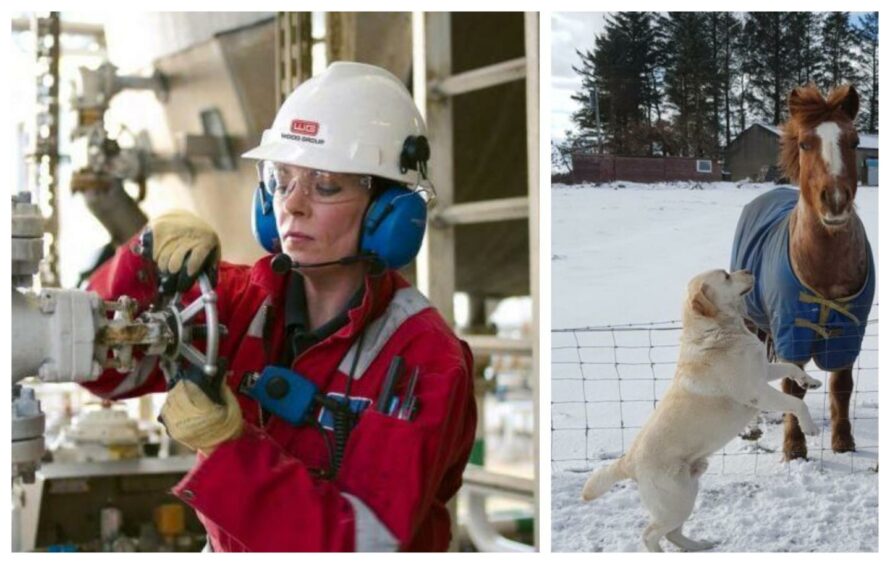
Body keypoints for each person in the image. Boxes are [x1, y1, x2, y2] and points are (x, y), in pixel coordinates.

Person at [84, 62, 477, 552]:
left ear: (387, 211)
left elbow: (362, 546)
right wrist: (141, 263)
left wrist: (229, 450)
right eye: (281, 179)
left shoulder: (424, 359)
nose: (292, 204)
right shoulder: (233, 303)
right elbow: (101, 367)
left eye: (325, 184)